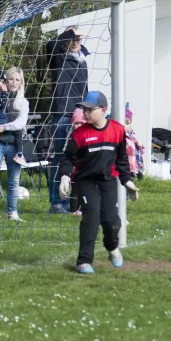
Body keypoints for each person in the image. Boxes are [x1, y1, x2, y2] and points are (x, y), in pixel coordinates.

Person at [57, 91, 140, 274]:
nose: (85, 113)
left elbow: (122, 160)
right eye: (83, 109)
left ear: (103, 110)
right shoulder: (79, 134)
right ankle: (84, 261)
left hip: (108, 182)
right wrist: (65, 177)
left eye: (89, 109)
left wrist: (128, 182)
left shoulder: (117, 130)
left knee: (111, 220)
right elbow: (68, 159)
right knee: (91, 218)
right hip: (85, 182)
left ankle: (112, 247)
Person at [46, 26, 89, 213]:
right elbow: (50, 44)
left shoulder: (83, 61)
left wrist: (86, 111)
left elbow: (85, 89)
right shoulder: (58, 58)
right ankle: (57, 202)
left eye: (79, 39)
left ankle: (74, 203)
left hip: (80, 114)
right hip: (63, 114)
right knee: (60, 157)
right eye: (73, 38)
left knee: (78, 159)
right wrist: (69, 32)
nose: (76, 41)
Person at [0, 67, 29, 223]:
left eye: (17, 80)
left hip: (14, 146)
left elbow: (20, 123)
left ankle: (13, 213)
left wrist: (4, 127)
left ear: (21, 83)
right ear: (5, 79)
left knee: (14, 181)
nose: (14, 82)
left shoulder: (23, 102)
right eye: (11, 79)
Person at [67, 108, 85, 216]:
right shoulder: (72, 138)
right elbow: (69, 154)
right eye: (76, 123)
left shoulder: (86, 137)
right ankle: (73, 209)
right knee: (75, 190)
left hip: (85, 168)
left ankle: (83, 208)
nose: (78, 126)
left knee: (85, 190)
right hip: (75, 168)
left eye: (80, 123)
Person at [124, 106, 145, 180]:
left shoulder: (132, 135)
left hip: (132, 164)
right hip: (124, 166)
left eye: (127, 123)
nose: (124, 126)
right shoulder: (121, 136)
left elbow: (141, 151)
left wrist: (139, 144)